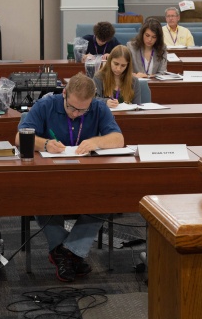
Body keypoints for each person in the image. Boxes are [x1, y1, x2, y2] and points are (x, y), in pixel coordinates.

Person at [14, 73, 124, 282]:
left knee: (106, 198)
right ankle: (71, 253)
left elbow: (118, 138)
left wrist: (97, 142)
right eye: (71, 107)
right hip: (49, 177)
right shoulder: (45, 105)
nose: (75, 114)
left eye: (82, 110)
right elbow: (20, 137)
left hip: (87, 179)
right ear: (64, 94)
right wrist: (45, 144)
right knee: (40, 198)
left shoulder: (99, 108)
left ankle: (65, 252)